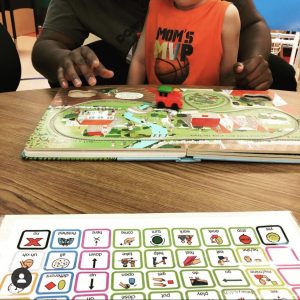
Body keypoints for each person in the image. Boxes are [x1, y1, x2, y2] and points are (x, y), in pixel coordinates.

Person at [31, 0, 296, 91]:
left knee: (278, 75)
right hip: (136, 67)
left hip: (211, 65)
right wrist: (64, 60)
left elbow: (253, 24)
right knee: (77, 76)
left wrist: (254, 63)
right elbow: (47, 45)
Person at [127, 0, 241, 86]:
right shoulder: (156, 5)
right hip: (157, 105)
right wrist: (129, 99)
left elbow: (228, 78)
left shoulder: (226, 13)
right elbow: (140, 61)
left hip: (203, 107)